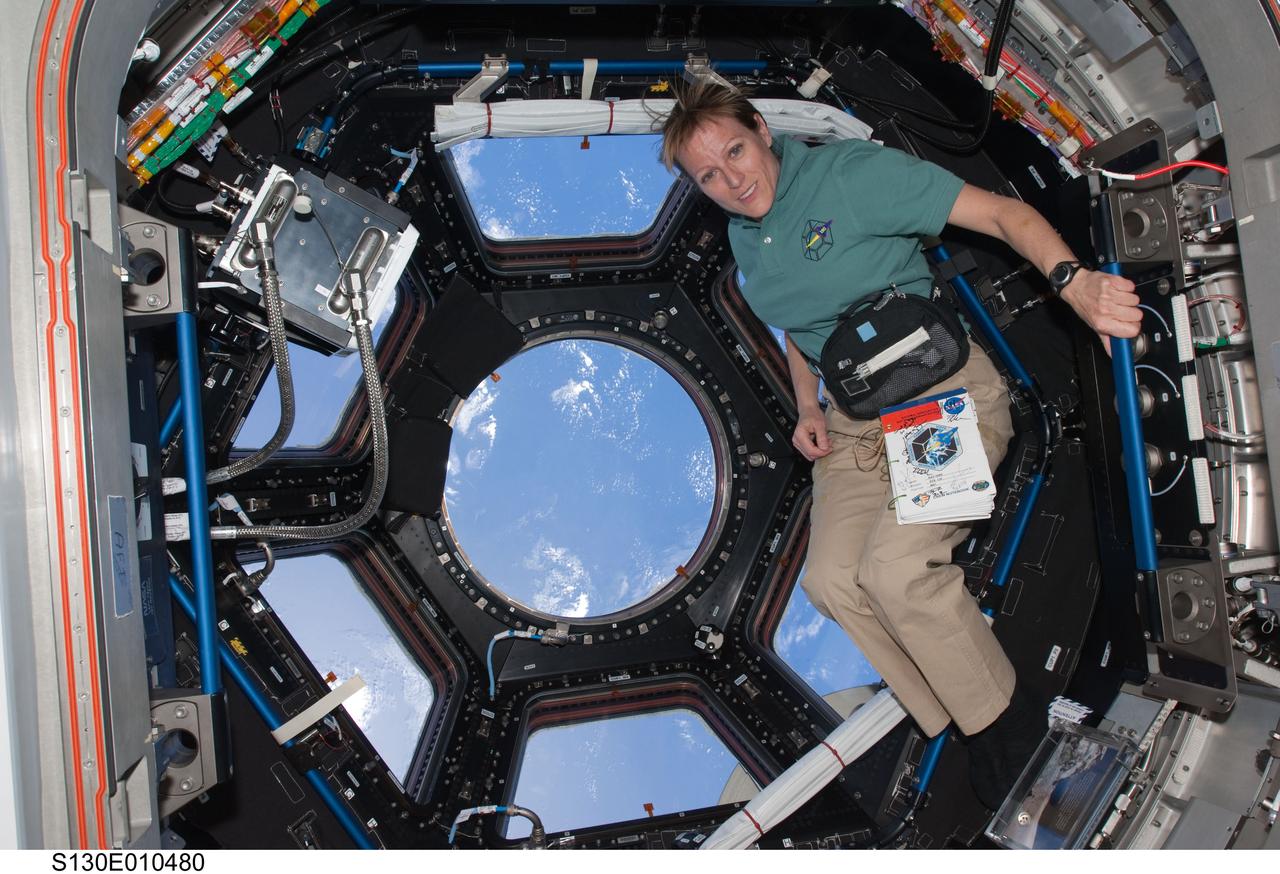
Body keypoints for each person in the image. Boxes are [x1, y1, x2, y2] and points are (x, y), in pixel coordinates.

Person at [659, 82, 1141, 809]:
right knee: (831, 582)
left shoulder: (849, 177)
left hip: (932, 393)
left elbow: (1003, 213)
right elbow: (799, 327)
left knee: (897, 569)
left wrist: (1073, 283)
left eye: (735, 151)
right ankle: (959, 716)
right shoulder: (743, 240)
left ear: (761, 130)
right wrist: (807, 402)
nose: (731, 180)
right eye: (709, 176)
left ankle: (1011, 733)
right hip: (855, 422)